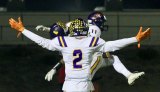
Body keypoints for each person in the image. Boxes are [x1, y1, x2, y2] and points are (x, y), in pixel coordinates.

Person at [9, 17, 151, 92]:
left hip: (69, 85)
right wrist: (135, 39)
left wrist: (23, 30)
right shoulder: (92, 41)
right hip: (85, 85)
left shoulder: (64, 41)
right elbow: (112, 45)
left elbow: (43, 42)